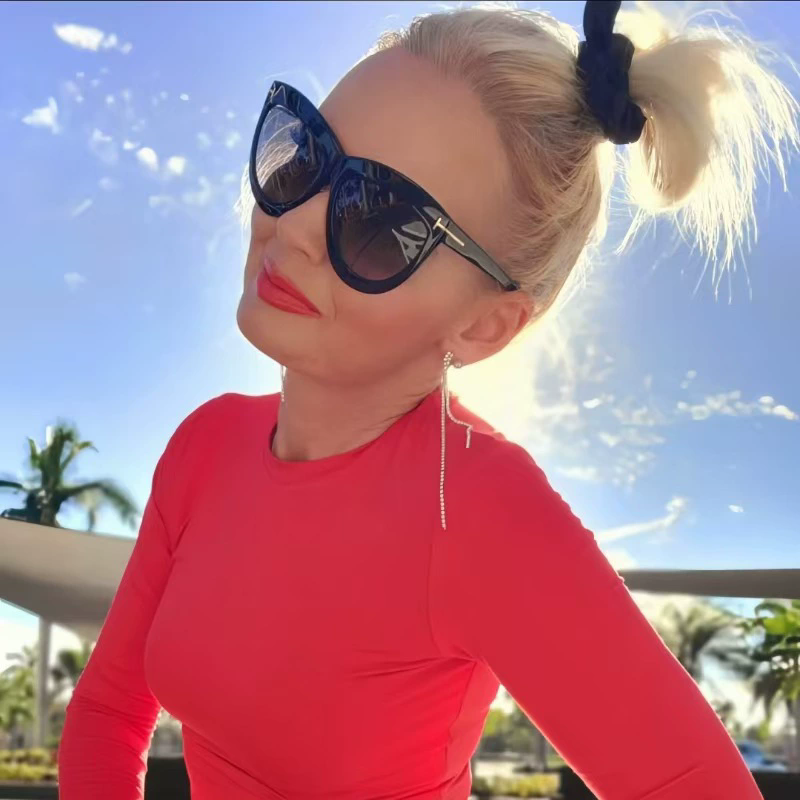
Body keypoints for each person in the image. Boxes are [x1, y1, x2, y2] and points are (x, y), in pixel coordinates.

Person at [58, 2, 798, 798]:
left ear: (484, 326)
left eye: (380, 220)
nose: (294, 225)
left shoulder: (485, 510)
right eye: (302, 155)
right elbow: (107, 714)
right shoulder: (204, 448)